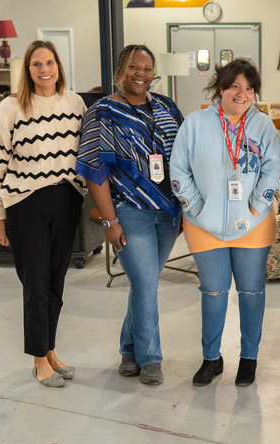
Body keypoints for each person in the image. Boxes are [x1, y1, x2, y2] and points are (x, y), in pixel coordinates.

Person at [170, 59, 280, 387]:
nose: (242, 93)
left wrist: (256, 205)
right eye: (235, 86)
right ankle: (211, 358)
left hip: (254, 222)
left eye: (249, 88)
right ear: (221, 88)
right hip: (203, 223)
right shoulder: (195, 123)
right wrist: (197, 207)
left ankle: (249, 358)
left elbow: (273, 170)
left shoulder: (263, 126)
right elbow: (179, 169)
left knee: (251, 291)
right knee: (214, 291)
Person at [76, 45, 184, 385]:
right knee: (147, 283)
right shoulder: (103, 112)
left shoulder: (166, 106)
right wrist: (109, 221)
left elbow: (184, 154)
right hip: (130, 210)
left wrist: (185, 208)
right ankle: (150, 358)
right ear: (121, 69)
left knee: (143, 283)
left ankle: (128, 348)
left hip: (167, 212)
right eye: (134, 67)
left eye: (148, 68)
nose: (141, 73)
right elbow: (95, 171)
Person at [0, 41, 87, 387]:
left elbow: (85, 154)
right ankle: (38, 359)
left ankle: (50, 350)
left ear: (58, 65)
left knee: (56, 281)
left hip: (66, 198)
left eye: (49, 62)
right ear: (27, 71)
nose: (44, 69)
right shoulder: (11, 107)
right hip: (25, 201)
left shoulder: (75, 103)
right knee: (35, 284)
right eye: (36, 64)